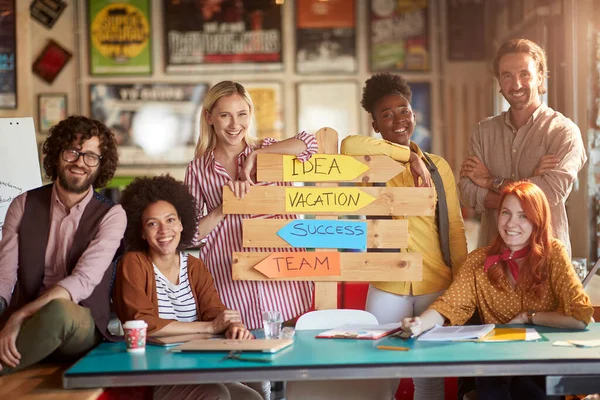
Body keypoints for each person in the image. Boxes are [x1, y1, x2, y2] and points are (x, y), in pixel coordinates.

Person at [184, 80, 317, 399]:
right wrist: (223, 207)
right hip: (229, 273)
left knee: (288, 359)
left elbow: (310, 144)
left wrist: (258, 155)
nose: (235, 124)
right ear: (209, 117)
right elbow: (188, 234)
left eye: (242, 114)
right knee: (251, 364)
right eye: (226, 115)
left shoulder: (271, 149)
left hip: (279, 270)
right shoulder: (198, 169)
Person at [340, 72, 468, 400]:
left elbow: (454, 229)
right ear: (375, 125)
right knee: (379, 376)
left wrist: (463, 285)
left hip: (435, 284)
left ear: (414, 115)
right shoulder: (367, 166)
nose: (398, 118)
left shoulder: (438, 167)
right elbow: (347, 144)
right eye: (387, 114)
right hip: (387, 287)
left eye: (404, 110)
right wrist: (408, 155)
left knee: (429, 378)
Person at [403, 181, 593, 400]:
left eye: (523, 215)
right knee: (495, 382)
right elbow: (449, 306)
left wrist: (527, 318)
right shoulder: (479, 260)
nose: (512, 223)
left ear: (537, 221)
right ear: (497, 216)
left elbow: (579, 316)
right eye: (506, 213)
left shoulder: (553, 254)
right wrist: (419, 324)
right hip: (496, 367)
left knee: (528, 389)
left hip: (542, 364)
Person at [114, 175, 261, 400]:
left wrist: (231, 325)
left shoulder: (194, 266)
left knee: (252, 397)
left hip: (199, 365)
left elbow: (214, 311)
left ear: (182, 224)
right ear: (142, 232)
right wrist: (210, 328)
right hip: (156, 372)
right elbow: (143, 325)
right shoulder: (133, 263)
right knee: (216, 394)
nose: (164, 230)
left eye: (171, 220)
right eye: (153, 223)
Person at [0, 116, 126, 374]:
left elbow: (82, 282)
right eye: (72, 152)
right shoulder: (22, 205)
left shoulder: (112, 215)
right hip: (28, 323)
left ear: (101, 165)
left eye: (91, 156)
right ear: (58, 154)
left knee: (59, 311)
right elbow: (4, 278)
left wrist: (19, 316)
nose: (80, 162)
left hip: (78, 324)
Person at [459, 38, 587, 257]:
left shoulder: (563, 132)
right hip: (494, 262)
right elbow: (467, 191)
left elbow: (551, 191)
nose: (516, 84)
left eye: (524, 74)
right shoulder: (483, 132)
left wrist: (492, 182)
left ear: (539, 76)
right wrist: (530, 189)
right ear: (499, 81)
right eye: (507, 75)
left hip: (545, 264)